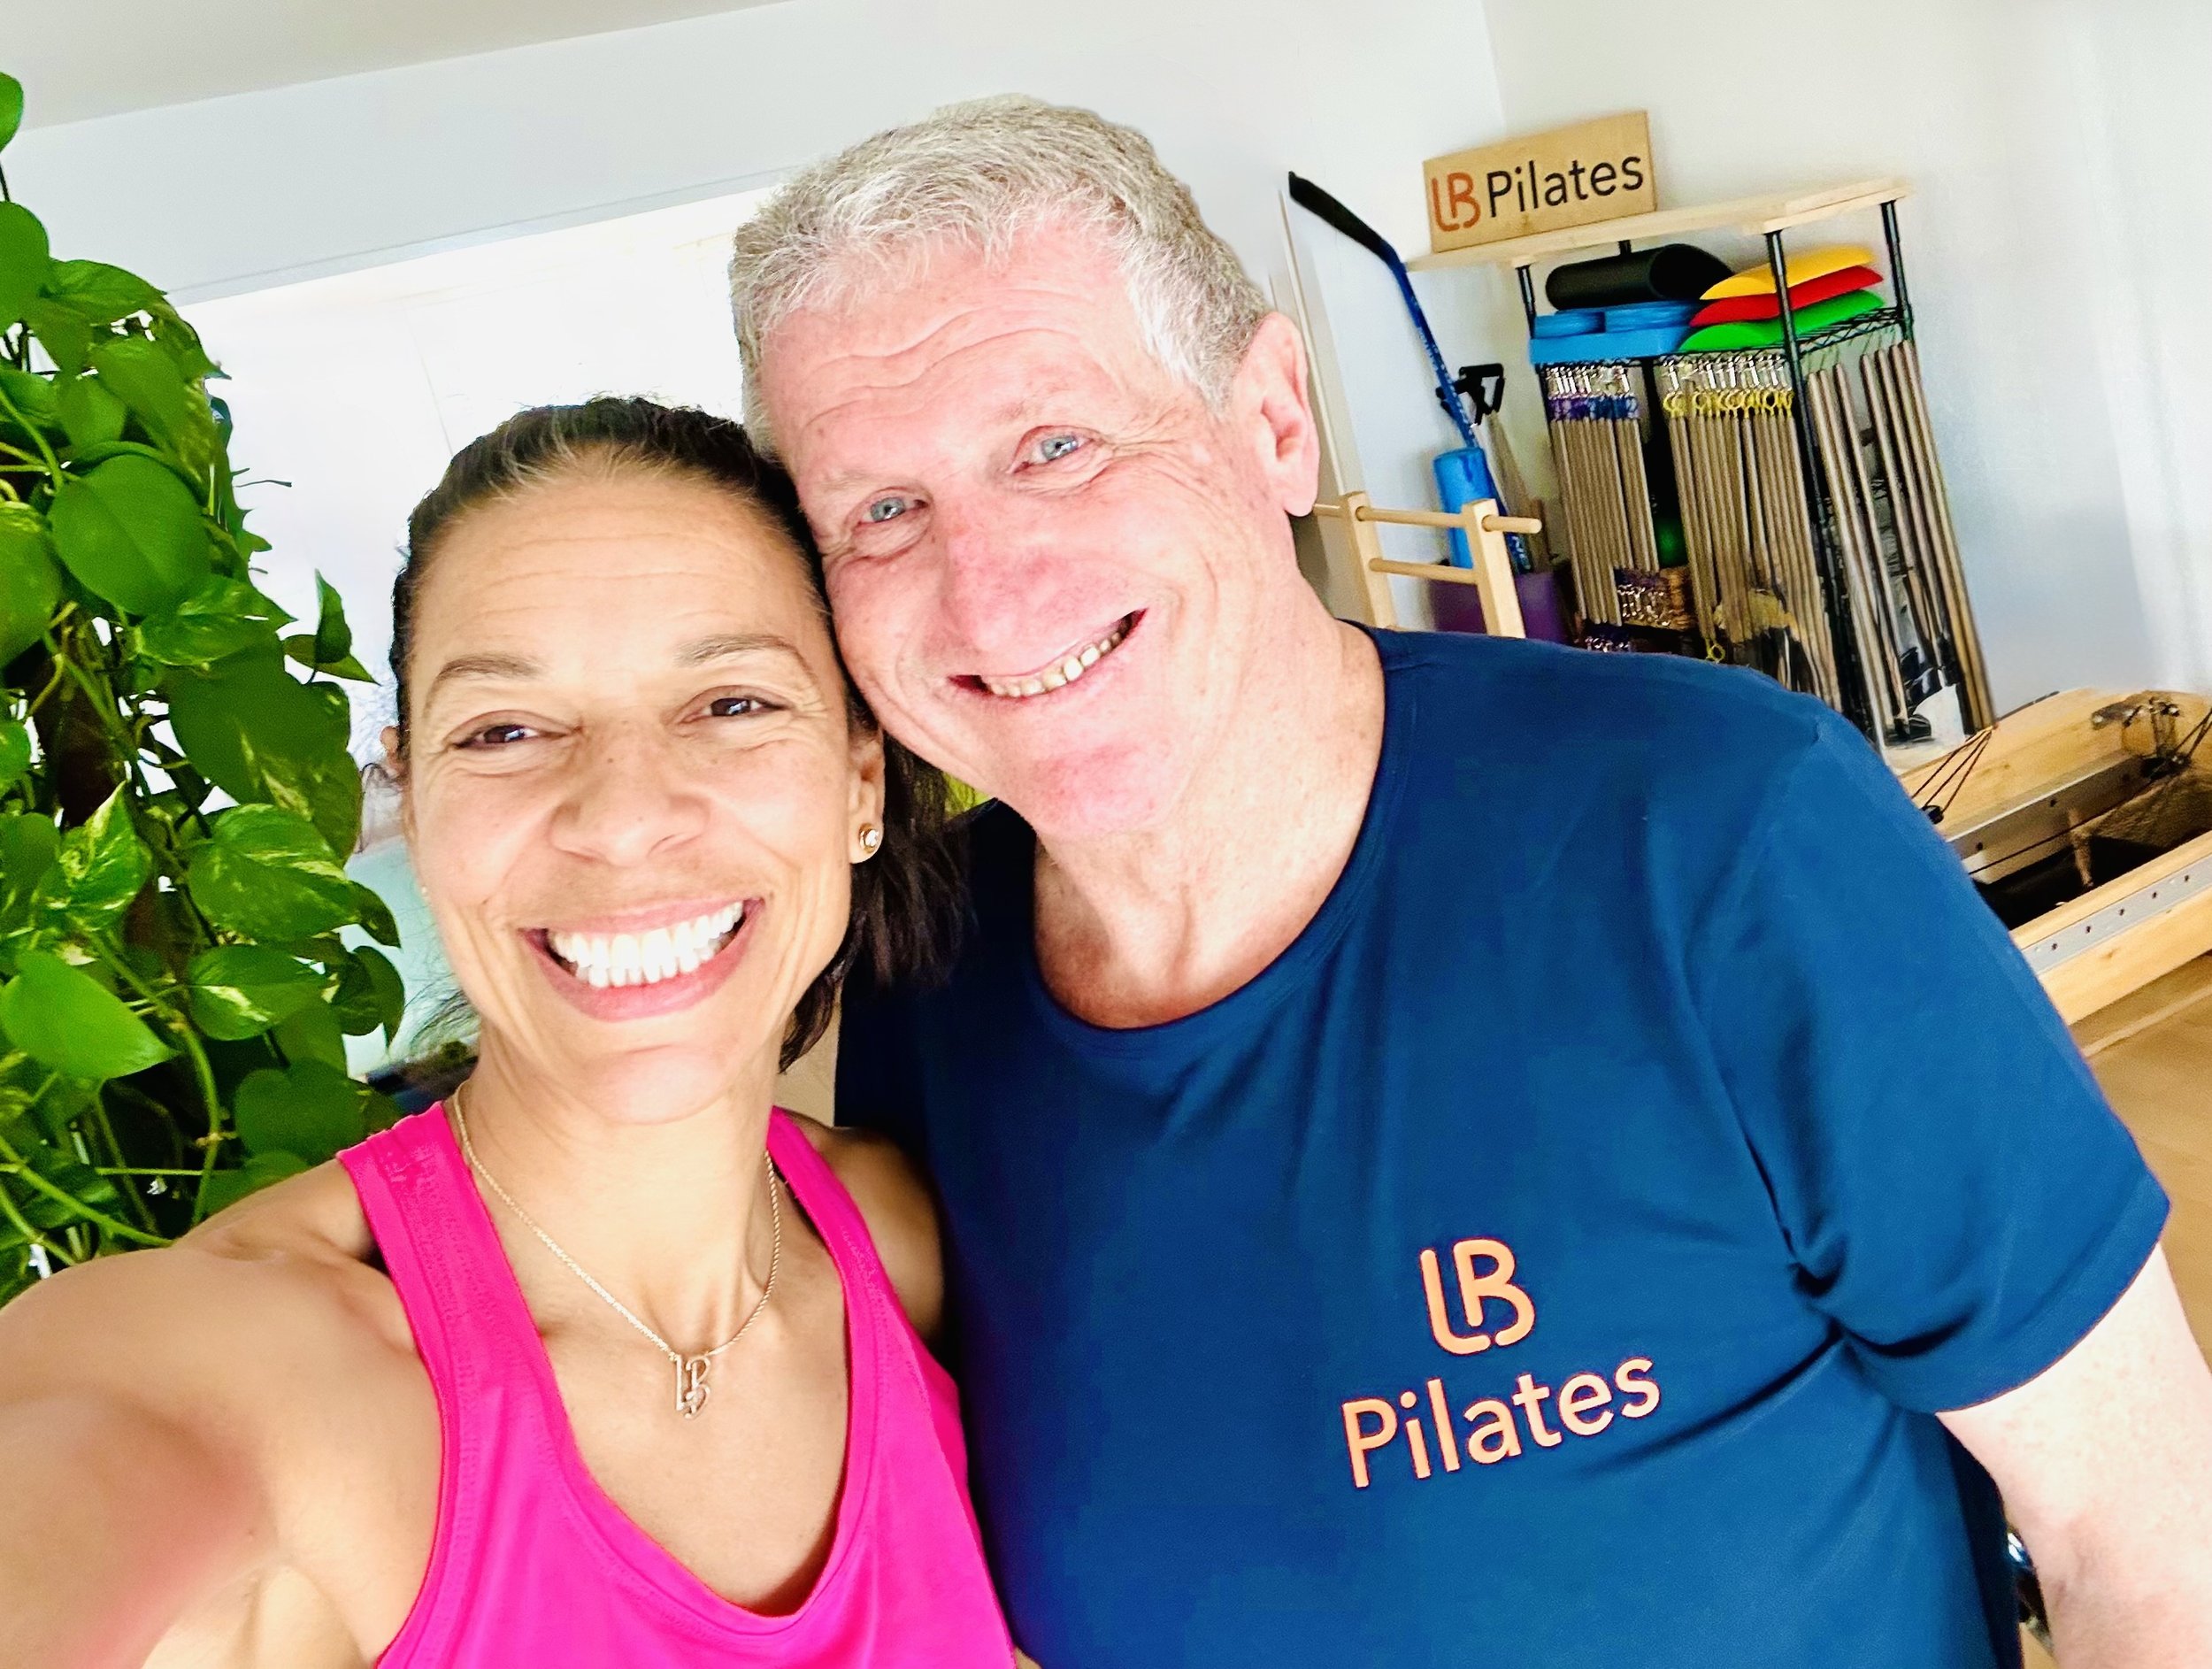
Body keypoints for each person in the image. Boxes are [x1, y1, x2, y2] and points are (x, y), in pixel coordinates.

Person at [729, 96, 2212, 1667]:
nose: (989, 589)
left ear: (1274, 421)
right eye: (881, 509)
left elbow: (2149, 1532)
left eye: (1057, 445)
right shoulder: (915, 992)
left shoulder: (1724, 837)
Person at [0, 399, 1014, 1669]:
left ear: (862, 779)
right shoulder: (245, 1368)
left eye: (730, 702)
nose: (624, 814)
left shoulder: (912, 1245)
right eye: (506, 731)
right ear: (414, 803)